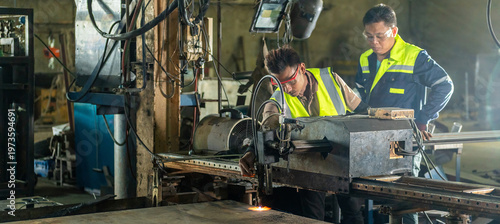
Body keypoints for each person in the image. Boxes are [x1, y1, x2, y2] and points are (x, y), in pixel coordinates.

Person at [239, 45, 368, 222]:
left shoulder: (331, 81)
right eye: (280, 84)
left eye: (291, 81)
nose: (288, 89)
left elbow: (362, 112)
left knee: (352, 212)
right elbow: (266, 131)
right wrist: (251, 152)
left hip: (343, 159)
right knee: (313, 217)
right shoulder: (276, 102)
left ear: (302, 68)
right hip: (310, 165)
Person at [355, 4, 454, 223]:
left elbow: (445, 85)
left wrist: (422, 118)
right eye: (369, 36)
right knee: (377, 198)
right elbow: (358, 97)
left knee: (405, 200)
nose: (374, 42)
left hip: (403, 141)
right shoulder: (365, 59)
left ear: (394, 31)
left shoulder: (414, 56)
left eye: (380, 36)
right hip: (372, 138)